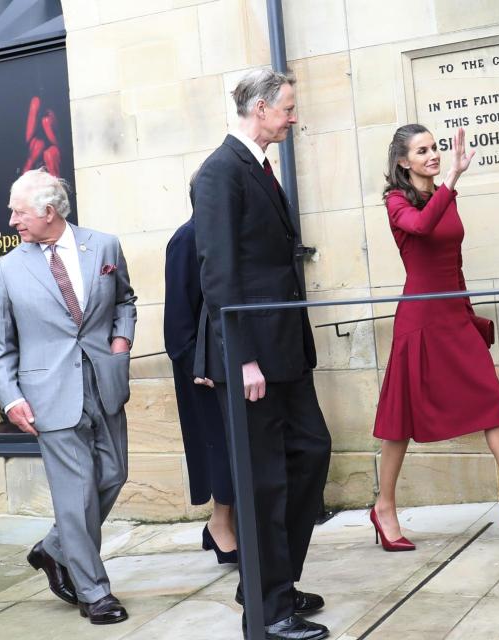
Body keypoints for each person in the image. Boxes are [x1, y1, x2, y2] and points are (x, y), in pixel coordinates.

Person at [371, 124, 499, 551]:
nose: (433, 155)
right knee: (400, 419)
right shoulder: (396, 201)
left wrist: (467, 311)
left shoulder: (443, 194)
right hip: (420, 318)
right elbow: (421, 228)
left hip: (453, 314)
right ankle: (384, 507)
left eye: (435, 147)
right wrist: (455, 179)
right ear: (404, 161)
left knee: (491, 402)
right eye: (422, 151)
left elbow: (453, 261)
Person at [194, 69, 332, 640]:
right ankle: (268, 611)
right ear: (258, 109)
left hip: (287, 353)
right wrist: (242, 358)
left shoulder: (259, 167)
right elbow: (220, 275)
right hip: (253, 358)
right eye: (288, 108)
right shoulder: (219, 173)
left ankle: (272, 579)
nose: (294, 117)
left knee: (312, 454)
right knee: (264, 482)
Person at [0, 169, 136, 625]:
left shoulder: (104, 246)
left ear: (49, 211)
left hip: (103, 383)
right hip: (47, 393)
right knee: (76, 495)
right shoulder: (10, 268)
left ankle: (54, 548)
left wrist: (120, 344)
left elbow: (125, 301)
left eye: (19, 210)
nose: (12, 219)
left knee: (113, 474)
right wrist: (11, 399)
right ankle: (95, 592)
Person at [164, 175, 236, 565]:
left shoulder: (224, 236)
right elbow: (177, 317)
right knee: (219, 452)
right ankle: (219, 525)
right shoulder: (186, 239)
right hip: (201, 369)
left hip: (228, 361)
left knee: (236, 451)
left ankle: (227, 525)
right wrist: (198, 364)